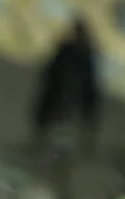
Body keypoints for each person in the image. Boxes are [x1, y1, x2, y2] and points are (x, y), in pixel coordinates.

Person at [32, 17, 101, 152]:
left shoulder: (85, 55)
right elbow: (53, 70)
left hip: (74, 103)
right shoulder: (67, 49)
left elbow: (89, 85)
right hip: (57, 96)